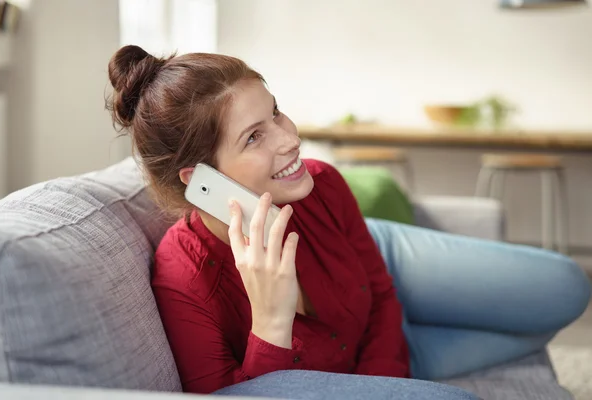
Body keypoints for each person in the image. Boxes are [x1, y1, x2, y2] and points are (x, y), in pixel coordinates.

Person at [106, 45, 591, 398]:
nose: (289, 139)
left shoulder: (321, 184)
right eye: (254, 137)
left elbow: (379, 292)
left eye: (276, 113)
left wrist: (382, 378)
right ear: (201, 179)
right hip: (369, 351)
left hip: (378, 278)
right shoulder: (185, 278)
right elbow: (229, 395)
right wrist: (271, 324)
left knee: (568, 287)